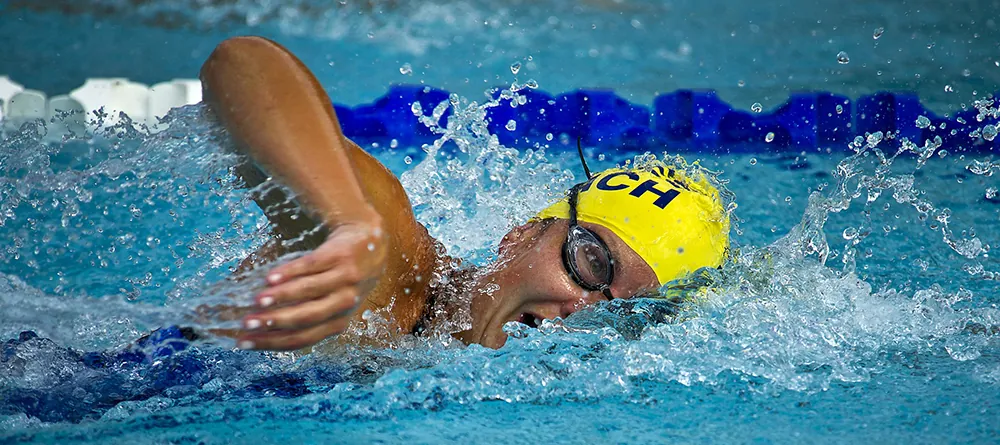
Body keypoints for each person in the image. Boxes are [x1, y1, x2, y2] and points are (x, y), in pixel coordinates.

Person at [199, 36, 730, 351]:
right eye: (592, 263)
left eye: (624, 313)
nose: (582, 309)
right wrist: (346, 221)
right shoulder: (389, 269)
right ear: (521, 235)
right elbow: (243, 64)